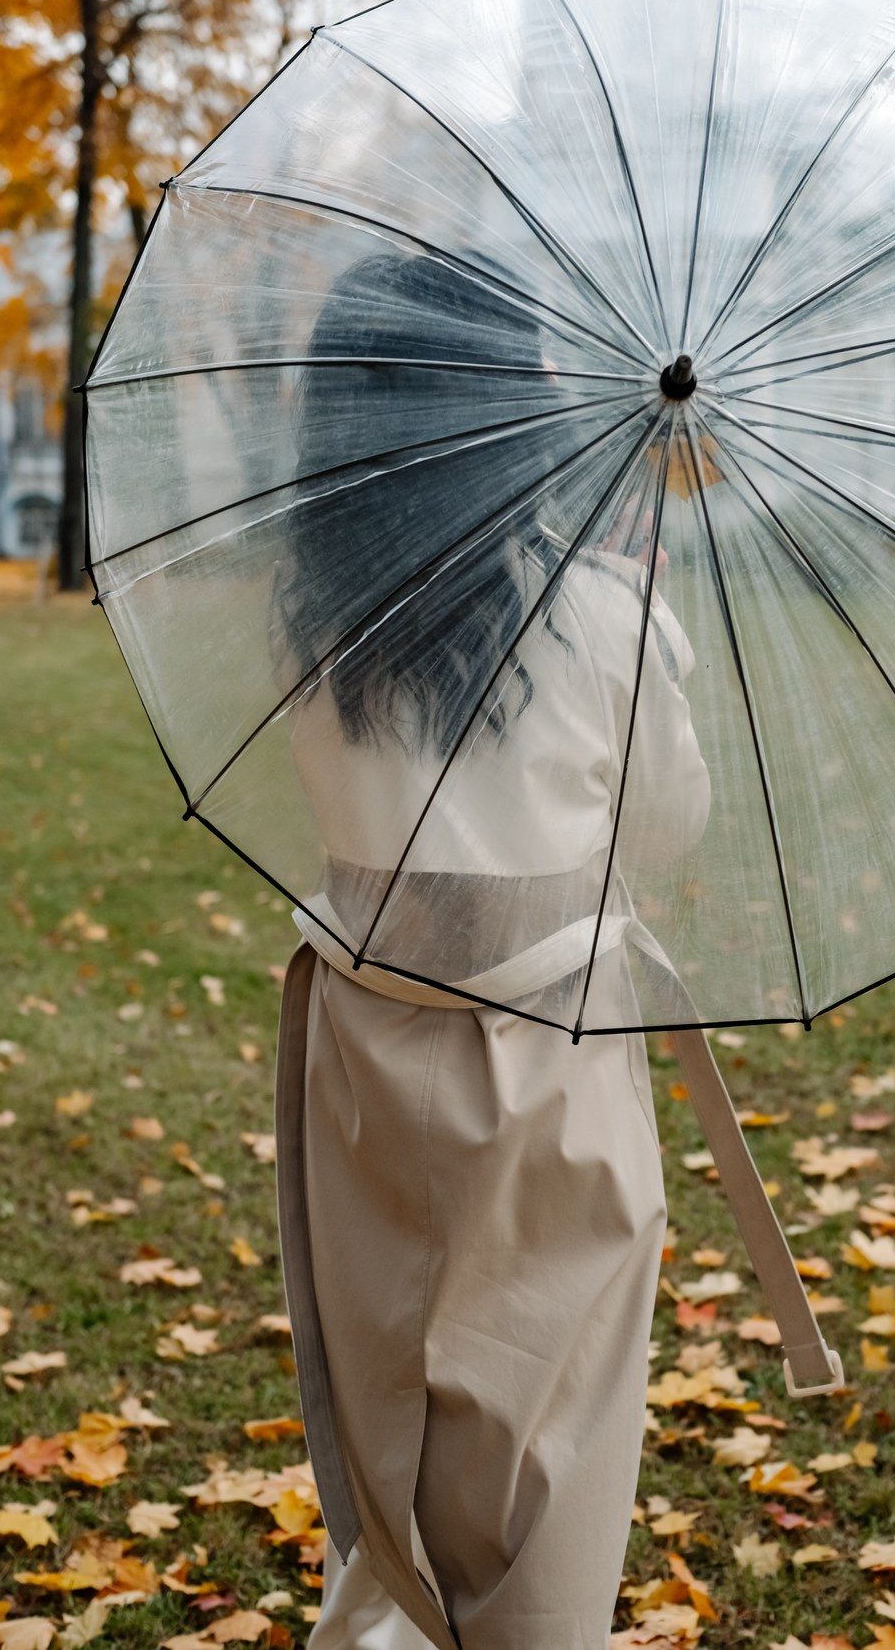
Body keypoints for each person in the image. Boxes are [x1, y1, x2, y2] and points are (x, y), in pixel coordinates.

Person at [270, 248, 711, 1650]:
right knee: (551, 1427)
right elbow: (669, 825)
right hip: (547, 1075)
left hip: (364, 1064)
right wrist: (641, 624)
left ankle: (386, 1616)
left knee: (395, 1393)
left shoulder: (318, 628)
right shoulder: (592, 619)